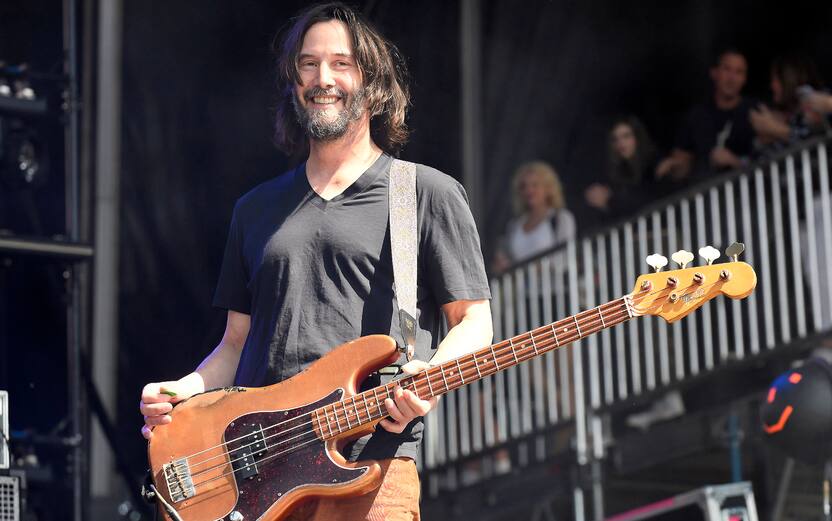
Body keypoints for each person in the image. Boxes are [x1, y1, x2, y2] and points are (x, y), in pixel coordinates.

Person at [138, 3, 494, 520]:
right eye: (308, 64)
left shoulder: (424, 193)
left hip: (371, 464)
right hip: (259, 480)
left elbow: (473, 320)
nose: (322, 78)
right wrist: (183, 391)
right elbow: (236, 344)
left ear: (372, 83)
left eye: (341, 64)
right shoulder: (255, 208)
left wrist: (429, 377)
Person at [656, 48, 757, 183]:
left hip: (748, 195)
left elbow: (769, 160)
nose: (732, 78)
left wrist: (735, 162)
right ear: (714, 73)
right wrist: (673, 166)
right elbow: (681, 163)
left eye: (739, 72)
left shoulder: (756, 113)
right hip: (707, 198)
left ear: (745, 79)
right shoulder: (695, 116)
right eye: (727, 69)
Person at [492, 161, 576, 274]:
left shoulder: (561, 219)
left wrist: (534, 269)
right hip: (521, 290)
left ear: (548, 188)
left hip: (552, 289)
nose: (529, 190)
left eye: (535, 185)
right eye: (523, 186)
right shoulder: (514, 225)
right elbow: (506, 260)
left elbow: (565, 259)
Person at [585, 115, 660, 222]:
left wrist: (609, 200)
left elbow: (646, 202)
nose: (621, 143)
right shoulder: (618, 173)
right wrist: (602, 203)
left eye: (626, 136)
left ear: (637, 137)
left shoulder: (653, 162)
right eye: (615, 139)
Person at [750, 54, 832, 147]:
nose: (772, 85)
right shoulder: (790, 115)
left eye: (775, 79)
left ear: (788, 78)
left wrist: (775, 129)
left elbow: (816, 142)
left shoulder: (819, 100)